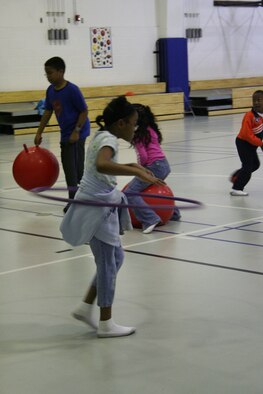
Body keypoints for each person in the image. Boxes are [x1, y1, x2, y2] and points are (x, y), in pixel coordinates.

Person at [60, 96, 165, 338]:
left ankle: (85, 307)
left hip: (97, 203)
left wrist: (135, 167)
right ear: (120, 123)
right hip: (95, 208)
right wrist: (136, 172)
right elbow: (102, 165)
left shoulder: (102, 136)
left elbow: (103, 164)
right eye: (133, 123)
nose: (135, 128)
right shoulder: (109, 141)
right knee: (108, 262)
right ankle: (106, 323)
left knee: (115, 258)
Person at [34, 56, 90, 212]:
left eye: (50, 73)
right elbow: (48, 111)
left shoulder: (72, 90)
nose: (48, 77)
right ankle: (79, 198)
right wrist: (39, 132)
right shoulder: (50, 91)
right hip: (66, 133)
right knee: (72, 169)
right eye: (46, 74)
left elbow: (84, 111)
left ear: (61, 71)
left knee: (73, 169)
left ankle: (74, 202)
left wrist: (76, 132)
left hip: (78, 133)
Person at [124, 103, 181, 234]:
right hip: (164, 165)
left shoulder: (138, 134)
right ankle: (174, 213)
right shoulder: (151, 129)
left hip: (153, 166)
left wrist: (141, 170)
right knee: (155, 187)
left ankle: (150, 219)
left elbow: (143, 156)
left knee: (130, 192)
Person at [230, 90, 263, 196]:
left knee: (255, 164)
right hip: (243, 143)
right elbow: (246, 134)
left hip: (252, 145)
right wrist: (260, 143)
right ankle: (236, 188)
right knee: (247, 167)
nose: (256, 103)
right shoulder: (249, 116)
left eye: (259, 100)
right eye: (254, 100)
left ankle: (236, 176)